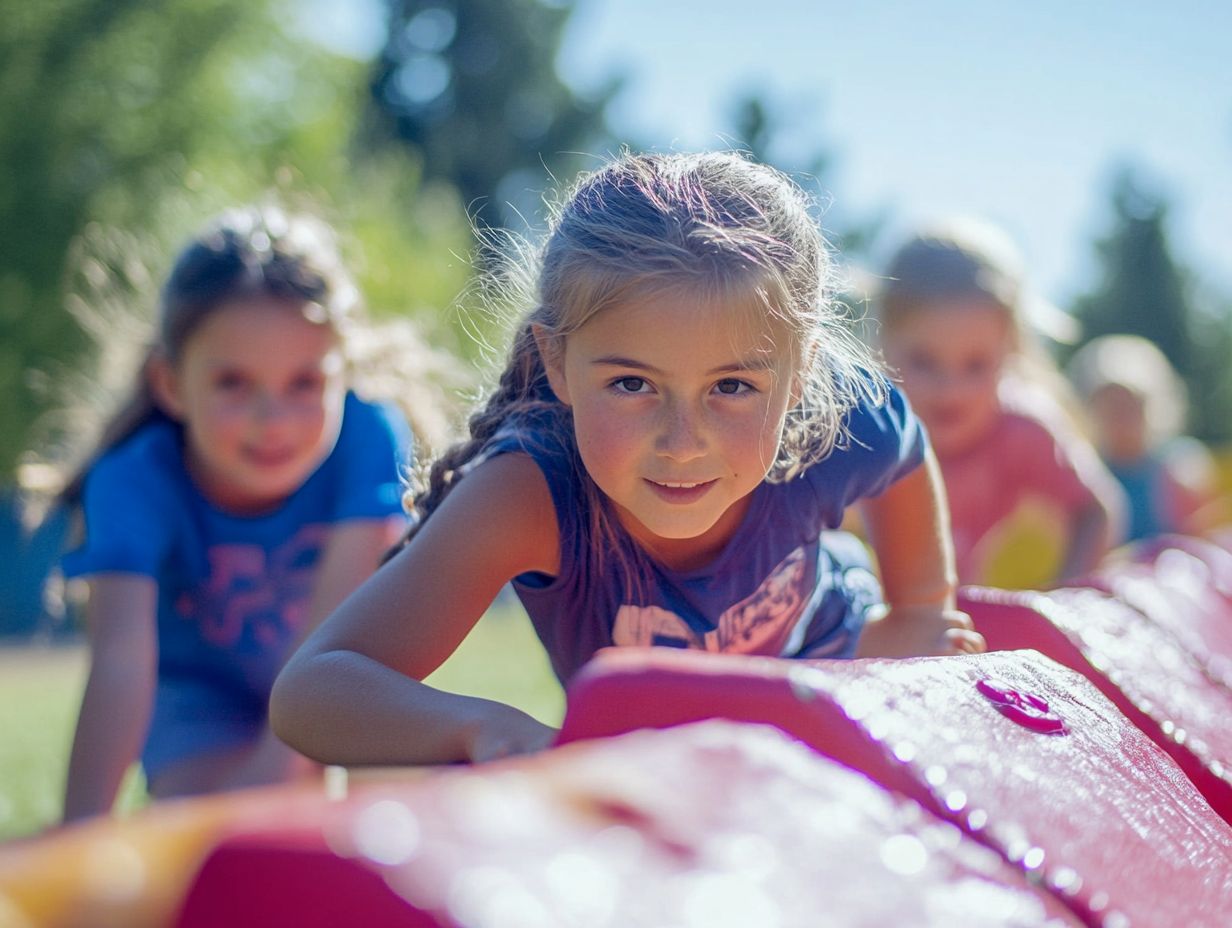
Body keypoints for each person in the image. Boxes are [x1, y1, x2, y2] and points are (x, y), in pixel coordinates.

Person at [270, 151, 985, 769]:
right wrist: (482, 726)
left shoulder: (839, 419)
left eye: (731, 387)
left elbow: (902, 445)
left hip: (830, 678)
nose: (683, 439)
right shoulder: (533, 496)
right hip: (659, 756)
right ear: (557, 361)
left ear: (798, 377)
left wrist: (919, 608)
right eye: (632, 384)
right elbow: (314, 690)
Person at [59, 205, 418, 822]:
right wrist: (78, 836)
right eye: (232, 383)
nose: (271, 419)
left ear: (343, 375)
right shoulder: (132, 477)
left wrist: (275, 771)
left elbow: (341, 642)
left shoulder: (370, 437)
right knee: (205, 833)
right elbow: (121, 663)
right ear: (171, 384)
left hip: (340, 672)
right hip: (202, 700)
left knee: (391, 813)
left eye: (304, 383)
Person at [874, 218, 1126, 589]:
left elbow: (1095, 510)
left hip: (951, 612)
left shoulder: (1020, 429)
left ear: (1011, 351)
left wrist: (1063, 596)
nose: (950, 389)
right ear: (883, 344)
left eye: (976, 365)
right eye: (924, 361)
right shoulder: (866, 426)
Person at [1067, 333, 1223, 541]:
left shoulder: (1176, 469)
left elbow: (1199, 540)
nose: (1121, 418)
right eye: (1110, 408)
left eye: (1129, 406)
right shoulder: (1085, 471)